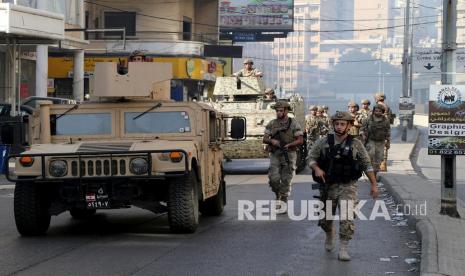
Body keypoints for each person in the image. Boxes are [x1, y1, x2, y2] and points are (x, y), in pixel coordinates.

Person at [309, 111, 379, 261]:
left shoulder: (356, 144)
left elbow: (367, 165)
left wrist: (374, 185)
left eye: (342, 124)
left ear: (348, 126)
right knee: (325, 220)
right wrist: (316, 168)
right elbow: (311, 158)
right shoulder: (324, 141)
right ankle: (329, 233)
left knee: (347, 218)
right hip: (328, 187)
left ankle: (343, 248)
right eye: (337, 124)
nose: (339, 127)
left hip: (348, 186)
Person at [263, 100, 303, 212]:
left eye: (281, 110)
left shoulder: (293, 123)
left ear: (286, 111)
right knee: (273, 178)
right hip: (275, 153)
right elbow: (265, 138)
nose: (279, 112)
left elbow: (300, 140)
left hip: (289, 154)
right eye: (277, 110)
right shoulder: (272, 123)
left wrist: (290, 144)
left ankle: (282, 200)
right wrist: (273, 141)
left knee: (286, 179)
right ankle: (278, 194)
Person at [360, 104, 391, 177]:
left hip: (381, 142)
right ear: (374, 111)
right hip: (371, 140)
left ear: (382, 112)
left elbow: (388, 131)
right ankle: (368, 171)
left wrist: (388, 142)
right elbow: (362, 129)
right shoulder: (368, 119)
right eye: (376, 111)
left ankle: (374, 174)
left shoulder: (385, 120)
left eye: (379, 111)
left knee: (379, 158)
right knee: (370, 155)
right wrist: (363, 135)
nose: (378, 112)